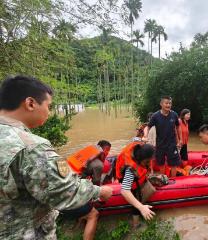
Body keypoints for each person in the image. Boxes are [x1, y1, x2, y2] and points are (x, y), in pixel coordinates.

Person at [0, 75, 112, 240]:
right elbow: (64, 191)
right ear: (30, 103)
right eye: (48, 106)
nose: (49, 112)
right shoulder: (31, 147)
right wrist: (99, 191)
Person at [115, 142, 156, 228]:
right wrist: (141, 207)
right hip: (132, 184)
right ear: (144, 160)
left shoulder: (139, 148)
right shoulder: (130, 170)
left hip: (138, 178)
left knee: (149, 190)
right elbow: (124, 190)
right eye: (149, 161)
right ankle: (135, 225)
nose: (150, 162)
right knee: (137, 201)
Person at [142, 96, 182, 177]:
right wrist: (145, 135)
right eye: (166, 103)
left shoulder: (174, 114)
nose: (168, 105)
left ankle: (174, 179)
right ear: (161, 104)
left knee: (174, 163)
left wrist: (180, 139)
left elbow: (178, 127)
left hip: (172, 144)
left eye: (170, 103)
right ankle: (163, 178)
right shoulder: (155, 116)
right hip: (160, 144)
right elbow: (148, 127)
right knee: (161, 163)